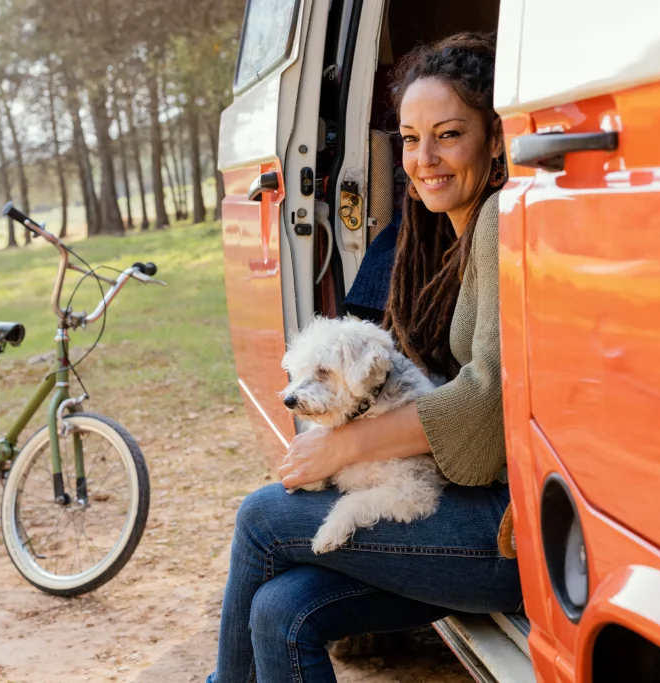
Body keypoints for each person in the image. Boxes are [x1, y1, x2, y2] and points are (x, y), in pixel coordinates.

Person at [206, 32, 518, 682]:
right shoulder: (437, 231)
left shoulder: (495, 223)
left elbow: (485, 404)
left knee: (261, 515)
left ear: (495, 139)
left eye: (449, 134)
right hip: (461, 506)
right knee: (279, 608)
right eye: (408, 137)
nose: (424, 157)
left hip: (506, 529)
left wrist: (346, 446)